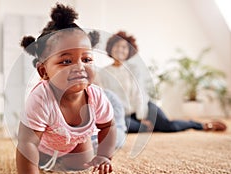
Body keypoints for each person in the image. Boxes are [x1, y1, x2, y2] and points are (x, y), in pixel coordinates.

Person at [16, 4, 117, 174]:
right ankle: (40, 164)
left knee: (80, 166)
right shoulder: (40, 98)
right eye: (66, 61)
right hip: (43, 144)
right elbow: (27, 142)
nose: (79, 67)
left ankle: (73, 155)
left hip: (77, 142)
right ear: (44, 72)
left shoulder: (96, 96)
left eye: (86, 59)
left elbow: (108, 126)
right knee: (38, 164)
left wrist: (104, 155)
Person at [96, 31, 227, 133]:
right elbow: (106, 99)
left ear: (129, 51)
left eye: (124, 47)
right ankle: (146, 127)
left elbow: (139, 94)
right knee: (121, 128)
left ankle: (200, 124)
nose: (120, 49)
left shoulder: (134, 69)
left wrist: (142, 117)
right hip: (125, 115)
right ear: (111, 48)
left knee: (168, 126)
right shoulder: (102, 73)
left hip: (144, 108)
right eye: (117, 46)